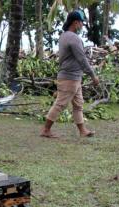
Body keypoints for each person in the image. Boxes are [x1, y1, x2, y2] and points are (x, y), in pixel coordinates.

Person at [41, 10, 99, 138]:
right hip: (69, 78)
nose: (82, 26)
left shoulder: (64, 36)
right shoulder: (73, 38)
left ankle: (83, 130)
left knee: (78, 105)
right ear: (75, 23)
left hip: (74, 77)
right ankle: (46, 130)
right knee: (60, 104)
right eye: (81, 23)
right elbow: (82, 59)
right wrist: (93, 75)